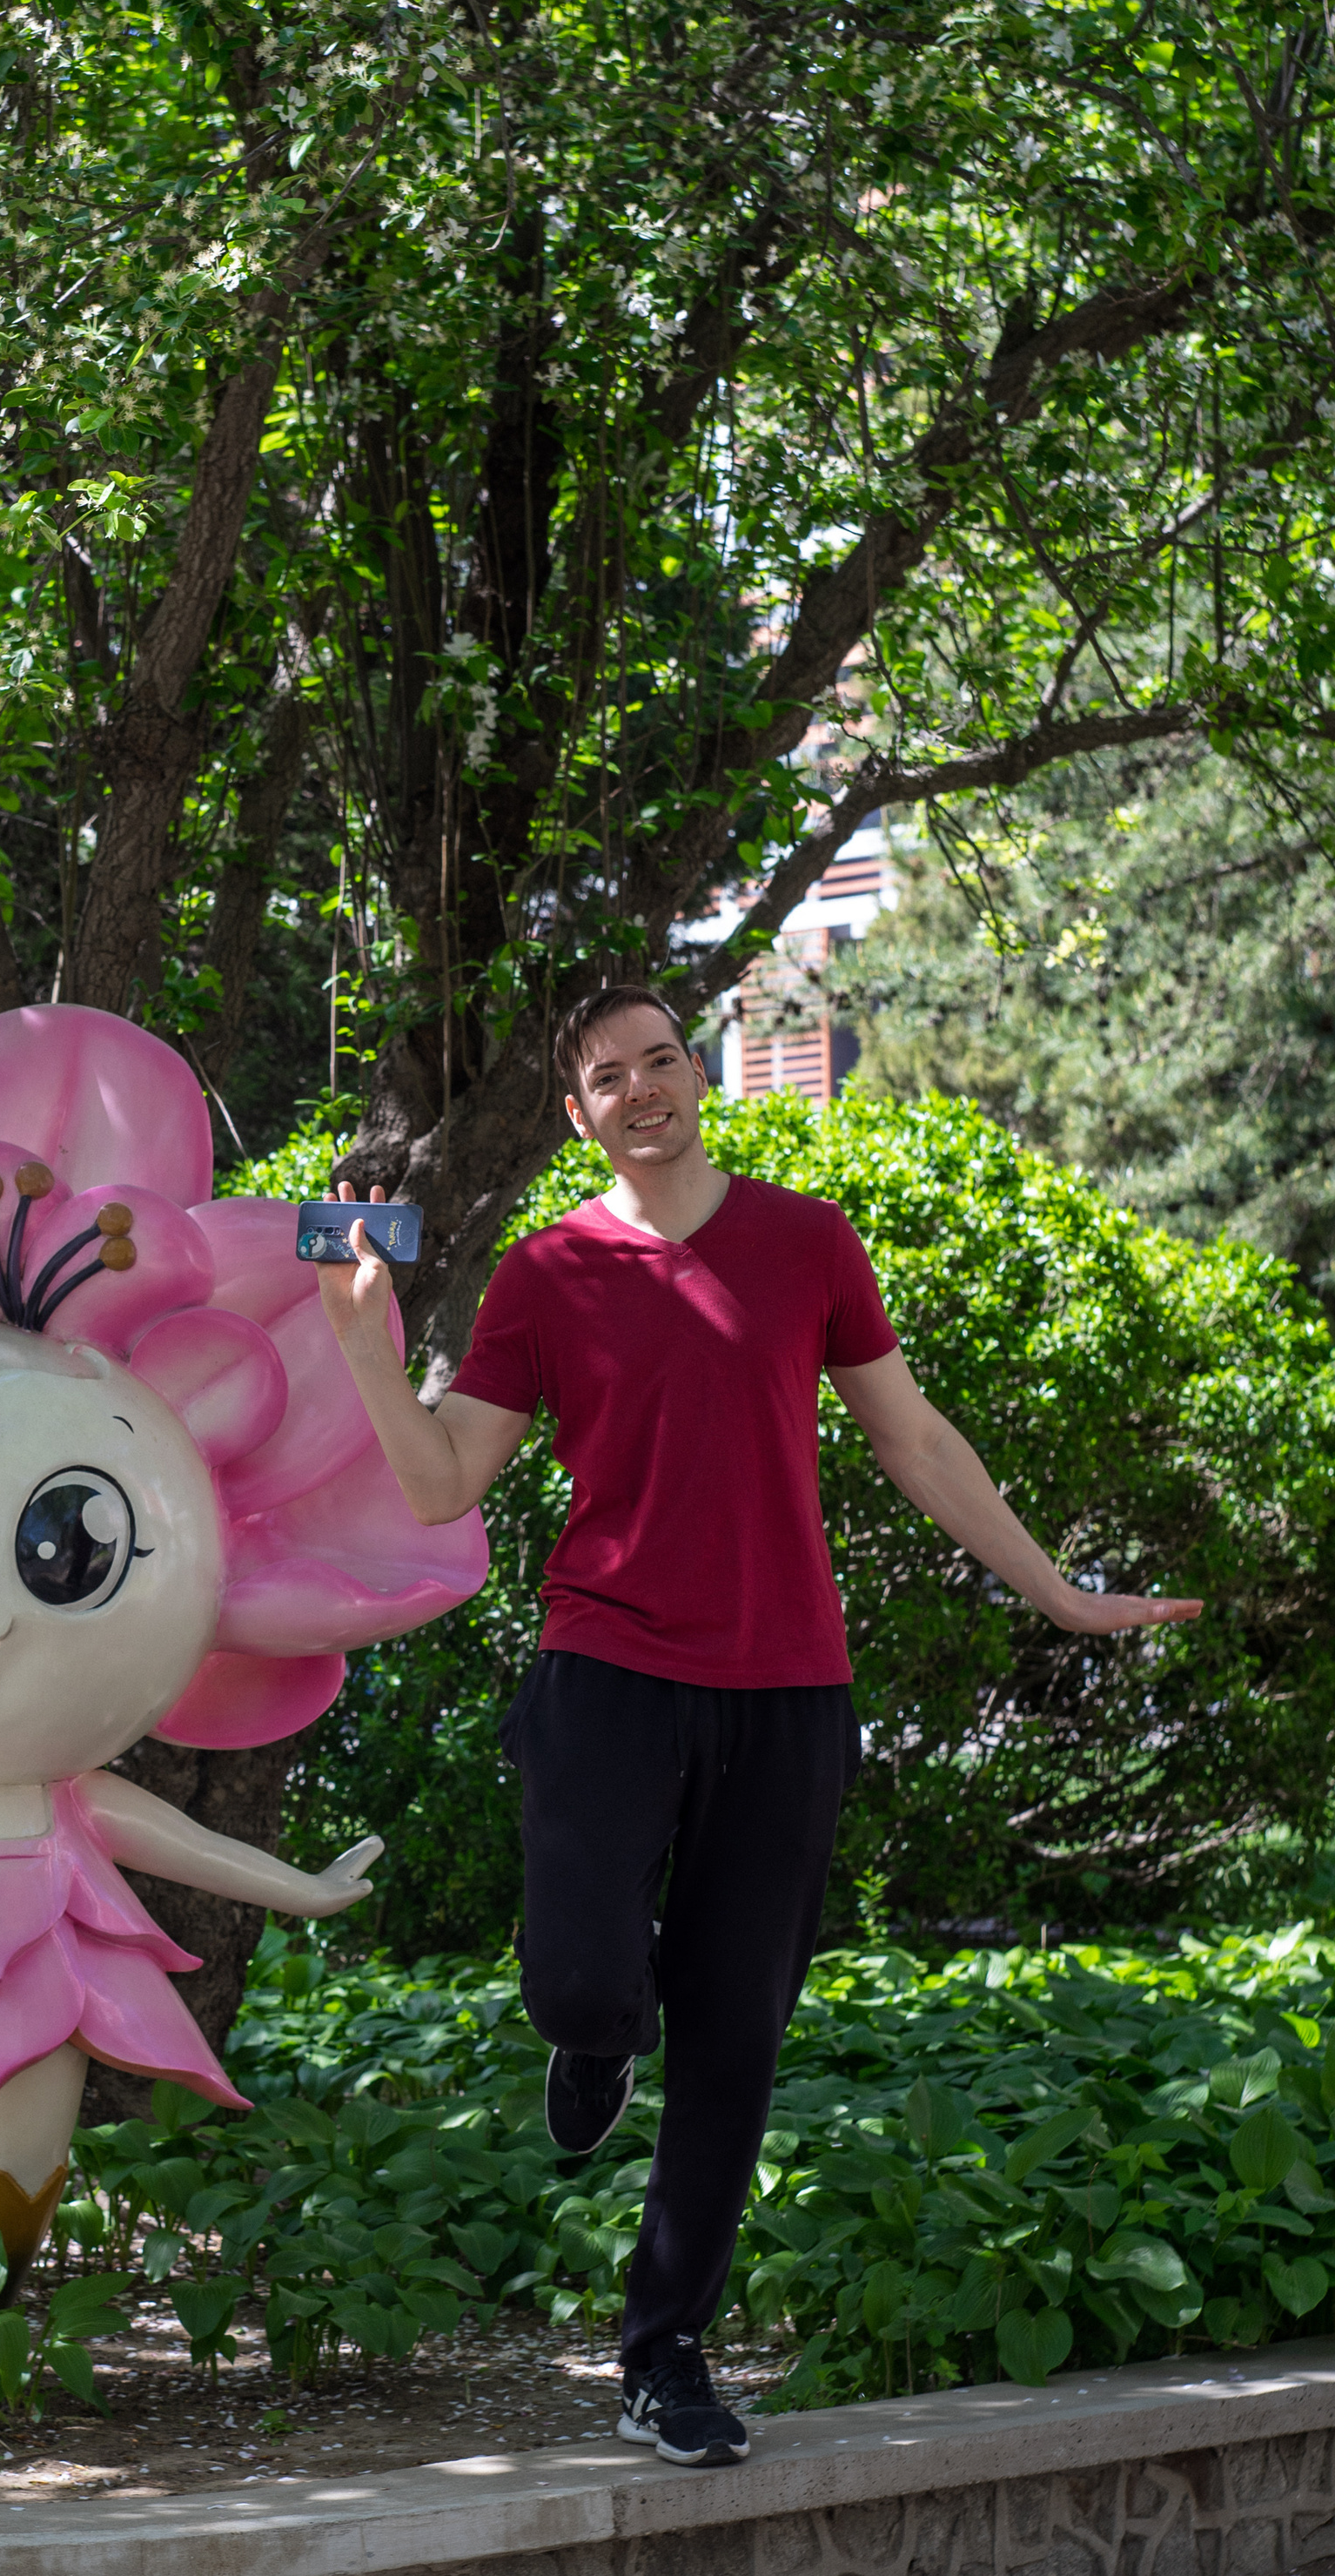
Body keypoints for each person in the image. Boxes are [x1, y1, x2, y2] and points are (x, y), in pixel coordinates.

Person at [313, 982, 1201, 2471]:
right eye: (610, 1076)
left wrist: (1055, 1592)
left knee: (734, 2037)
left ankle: (663, 2353)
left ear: (696, 1073)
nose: (645, 1087)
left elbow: (912, 1438)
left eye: (663, 1059)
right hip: (605, 1667)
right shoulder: (546, 1273)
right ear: (581, 1110)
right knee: (588, 1983)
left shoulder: (806, 1243)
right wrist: (361, 1348)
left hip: (788, 1688)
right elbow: (437, 1482)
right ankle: (594, 2041)